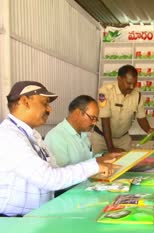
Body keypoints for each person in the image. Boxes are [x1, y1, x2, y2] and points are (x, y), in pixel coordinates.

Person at [0, 81, 118, 217]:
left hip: (35, 216)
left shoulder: (33, 135)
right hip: (14, 222)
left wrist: (97, 163)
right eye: (45, 103)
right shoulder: (9, 136)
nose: (50, 109)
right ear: (25, 101)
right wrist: (94, 166)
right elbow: (49, 178)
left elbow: (56, 171)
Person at [44, 95, 122, 196]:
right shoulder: (56, 137)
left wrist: (105, 157)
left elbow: (88, 160)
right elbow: (60, 176)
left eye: (96, 119)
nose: (94, 123)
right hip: (68, 194)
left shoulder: (83, 134)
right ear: (78, 113)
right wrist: (97, 165)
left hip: (86, 187)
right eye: (92, 118)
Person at [91, 65, 154, 154]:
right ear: (119, 79)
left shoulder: (138, 95)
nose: (132, 87)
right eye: (128, 83)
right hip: (101, 138)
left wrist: (149, 130)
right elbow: (105, 120)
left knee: (126, 165)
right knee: (99, 165)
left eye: (134, 83)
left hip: (122, 139)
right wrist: (111, 148)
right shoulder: (105, 91)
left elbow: (141, 117)